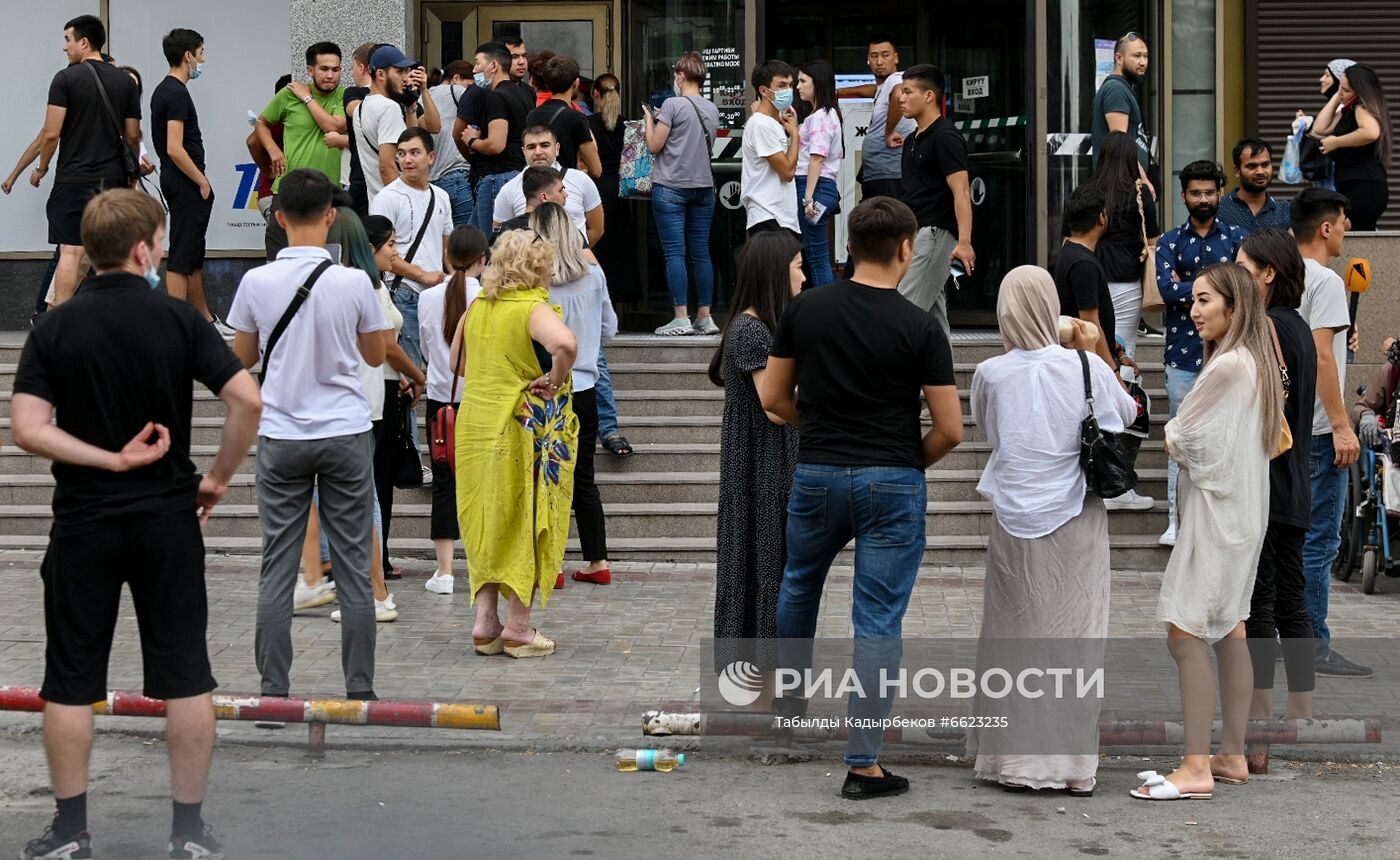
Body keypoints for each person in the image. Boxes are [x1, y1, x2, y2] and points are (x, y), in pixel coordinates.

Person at [12, 189, 261, 860]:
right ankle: (187, 833)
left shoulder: (56, 327)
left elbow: (28, 429)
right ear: (144, 248)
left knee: (69, 679)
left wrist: (107, 460)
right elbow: (246, 398)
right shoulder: (177, 318)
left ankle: (70, 831)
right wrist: (216, 478)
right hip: (167, 520)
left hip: (83, 523)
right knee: (186, 677)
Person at [761, 197, 963, 800]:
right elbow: (950, 428)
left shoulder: (807, 309)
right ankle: (862, 763)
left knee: (799, 582)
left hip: (819, 470)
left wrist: (821, 425)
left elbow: (773, 399)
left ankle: (790, 706)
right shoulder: (920, 325)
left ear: (849, 245)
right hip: (892, 481)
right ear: (907, 249)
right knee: (877, 620)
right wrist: (904, 460)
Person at [969, 266, 1136, 796]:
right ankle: (1071, 767)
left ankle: (1011, 760)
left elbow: (990, 431)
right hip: (1076, 520)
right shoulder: (1085, 365)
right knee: (1075, 642)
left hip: (1014, 523)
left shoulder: (990, 373)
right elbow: (1127, 414)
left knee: (1013, 642)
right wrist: (1093, 345)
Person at [226, 168, 388, 701]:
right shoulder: (354, 282)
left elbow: (243, 358)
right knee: (353, 568)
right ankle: (360, 691)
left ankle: (274, 688)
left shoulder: (255, 282)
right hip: (345, 430)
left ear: (278, 218)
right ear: (330, 217)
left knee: (278, 565)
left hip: (280, 432)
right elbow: (374, 355)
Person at [1132, 262, 1282, 802]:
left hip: (1217, 516)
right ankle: (1232, 753)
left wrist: (1171, 432)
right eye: (1192, 300)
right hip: (1243, 514)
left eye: (1203, 301)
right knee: (1231, 629)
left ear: (1233, 307)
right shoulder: (1253, 362)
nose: (1193, 310)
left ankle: (1196, 765)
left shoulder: (1227, 367)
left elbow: (1185, 436)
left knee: (1186, 631)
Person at [456, 229, 578, 659]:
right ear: (532, 267)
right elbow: (564, 343)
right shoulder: (531, 307)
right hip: (518, 426)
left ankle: (485, 623)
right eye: (546, 262)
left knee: (486, 519)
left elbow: (458, 356)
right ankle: (519, 627)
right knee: (524, 517)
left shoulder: (476, 308)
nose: (552, 269)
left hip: (474, 426)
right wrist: (555, 378)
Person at [708, 230, 803, 683]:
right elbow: (775, 405)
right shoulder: (752, 330)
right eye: (797, 267)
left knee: (768, 567)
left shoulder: (760, 328)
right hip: (761, 469)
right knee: (763, 567)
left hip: (766, 465)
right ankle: (759, 675)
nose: (804, 276)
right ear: (774, 274)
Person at [1236, 227, 1319, 727]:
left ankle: (1263, 711)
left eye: (1244, 270)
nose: (1235, 278)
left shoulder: (1266, 327)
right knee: (1292, 596)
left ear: (1269, 273)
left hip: (1267, 481)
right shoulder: (1300, 328)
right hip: (1295, 482)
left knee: (1262, 600)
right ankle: (1301, 710)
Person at [1292, 188, 1369, 677]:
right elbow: (1321, 357)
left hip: (1289, 429)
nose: (1345, 231)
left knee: (1289, 541)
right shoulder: (1323, 280)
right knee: (1319, 543)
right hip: (1321, 431)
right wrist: (1343, 427)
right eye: (1343, 223)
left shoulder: (1278, 275)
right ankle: (1312, 647)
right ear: (1325, 227)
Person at [1155, 160, 1245, 544]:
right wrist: (1216, 290)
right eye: (1196, 193)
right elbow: (1165, 291)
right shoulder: (1168, 241)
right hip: (1183, 356)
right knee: (1180, 437)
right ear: (1183, 196)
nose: (1204, 199)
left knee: (1228, 436)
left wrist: (1188, 285)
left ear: (1220, 194)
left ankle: (1221, 518)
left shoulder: (1238, 237)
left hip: (1229, 355)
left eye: (1210, 192)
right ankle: (1177, 520)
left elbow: (1245, 292)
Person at [533, 203, 617, 588]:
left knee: (547, 476)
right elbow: (609, 329)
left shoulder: (538, 283)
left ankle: (551, 565)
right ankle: (597, 559)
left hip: (549, 388)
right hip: (585, 387)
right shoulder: (595, 275)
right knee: (584, 477)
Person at [35, 16, 141, 307]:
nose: (65, 47)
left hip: (73, 179)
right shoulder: (125, 80)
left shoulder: (65, 79)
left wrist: (42, 167)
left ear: (84, 42)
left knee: (70, 252)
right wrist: (130, 174)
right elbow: (133, 136)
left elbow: (51, 133)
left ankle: (64, 324)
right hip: (114, 182)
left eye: (67, 39)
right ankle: (112, 322)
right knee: (113, 255)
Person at [418, 224, 487, 595]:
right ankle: (481, 564)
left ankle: (444, 572)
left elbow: (429, 352)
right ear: (483, 259)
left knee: (444, 483)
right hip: (480, 400)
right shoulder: (490, 297)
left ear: (447, 257)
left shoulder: (427, 298)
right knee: (481, 483)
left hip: (440, 400)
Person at [150, 28, 223, 335]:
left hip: (182, 181)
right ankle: (175, 326)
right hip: (184, 182)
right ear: (188, 56)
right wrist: (202, 180)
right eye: (202, 52)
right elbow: (174, 148)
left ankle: (204, 319)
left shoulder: (166, 91)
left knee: (193, 253)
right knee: (182, 254)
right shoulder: (175, 92)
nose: (204, 59)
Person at [645, 52, 722, 335]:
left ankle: (680, 318)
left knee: (675, 253)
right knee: (701, 253)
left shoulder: (672, 104)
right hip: (703, 188)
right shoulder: (711, 109)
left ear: (680, 75)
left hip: (671, 187)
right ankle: (705, 316)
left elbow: (655, 145)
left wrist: (647, 121)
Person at [896, 64, 974, 338]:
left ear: (929, 96)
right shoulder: (910, 141)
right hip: (917, 234)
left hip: (936, 233)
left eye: (907, 92)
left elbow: (962, 192)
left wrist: (964, 242)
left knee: (901, 312)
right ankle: (942, 378)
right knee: (933, 316)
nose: (901, 98)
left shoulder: (946, 137)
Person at [257, 42, 347, 258]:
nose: (330, 75)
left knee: (326, 261)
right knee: (278, 259)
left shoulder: (344, 96)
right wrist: (273, 150)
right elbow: (261, 123)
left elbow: (332, 126)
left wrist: (307, 98)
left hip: (328, 191)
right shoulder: (288, 95)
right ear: (310, 70)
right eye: (324, 69)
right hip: (288, 188)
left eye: (336, 69)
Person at [587, 74, 632, 458]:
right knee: (620, 255)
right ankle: (620, 309)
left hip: (597, 192)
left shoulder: (588, 123)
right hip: (623, 193)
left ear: (596, 94)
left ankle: (608, 308)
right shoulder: (628, 122)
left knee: (599, 256)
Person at [1091, 130, 1159, 381]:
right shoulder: (1139, 194)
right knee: (1124, 346)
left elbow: (1069, 237)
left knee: (1091, 342)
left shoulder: (1088, 190)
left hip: (1091, 272)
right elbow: (1153, 241)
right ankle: (1125, 401)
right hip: (1127, 277)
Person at [492, 124, 603, 245]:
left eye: (545, 145)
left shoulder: (581, 180)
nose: (538, 152)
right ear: (523, 152)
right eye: (531, 147)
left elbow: (596, 229)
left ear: (557, 148)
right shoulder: (508, 190)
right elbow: (501, 239)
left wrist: (573, 256)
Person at [463, 41, 533, 233]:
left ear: (493, 66)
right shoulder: (524, 93)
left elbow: (496, 144)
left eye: (478, 63)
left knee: (491, 247)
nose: (475, 69)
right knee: (472, 242)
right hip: (514, 173)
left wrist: (472, 140)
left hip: (497, 178)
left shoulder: (495, 96)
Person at [1313, 64, 1392, 230]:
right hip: (1353, 185)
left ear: (1360, 91)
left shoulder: (1361, 107)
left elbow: (1370, 132)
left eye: (1346, 90)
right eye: (1340, 87)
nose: (1341, 93)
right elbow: (1319, 127)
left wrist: (1336, 142)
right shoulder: (1347, 110)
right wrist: (1339, 95)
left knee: (1342, 233)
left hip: (1364, 186)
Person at [1054, 184, 1123, 372]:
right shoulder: (1083, 264)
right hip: (1088, 365)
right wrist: (1113, 372)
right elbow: (1090, 324)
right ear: (1102, 218)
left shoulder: (1069, 253)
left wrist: (1119, 354)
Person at [836, 35, 914, 201]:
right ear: (868, 60)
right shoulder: (884, 86)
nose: (879, 61)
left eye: (885, 55)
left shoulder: (898, 79)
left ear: (896, 58)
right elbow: (874, 89)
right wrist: (842, 91)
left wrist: (889, 132)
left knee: (882, 224)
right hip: (880, 174)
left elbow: (899, 92)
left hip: (890, 175)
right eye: (874, 56)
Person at [795, 60, 844, 288]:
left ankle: (824, 310)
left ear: (818, 83)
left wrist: (807, 198)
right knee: (818, 254)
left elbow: (816, 157)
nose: (798, 86)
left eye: (803, 81)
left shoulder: (820, 117)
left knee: (816, 256)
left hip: (814, 187)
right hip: (824, 187)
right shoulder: (829, 114)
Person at [741, 60, 801, 239]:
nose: (788, 91)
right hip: (768, 216)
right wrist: (795, 135)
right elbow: (787, 172)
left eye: (790, 85)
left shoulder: (774, 123)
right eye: (781, 85)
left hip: (781, 217)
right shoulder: (761, 124)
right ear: (763, 90)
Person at [353, 45, 418, 204]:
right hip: (395, 207)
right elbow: (387, 166)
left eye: (406, 70)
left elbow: (411, 142)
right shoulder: (388, 108)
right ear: (380, 74)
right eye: (399, 71)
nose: (405, 77)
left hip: (377, 204)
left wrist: (410, 108)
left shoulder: (361, 107)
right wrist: (404, 204)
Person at [526, 54, 602, 178]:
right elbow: (596, 170)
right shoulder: (576, 118)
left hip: (538, 185)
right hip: (564, 186)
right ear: (576, 83)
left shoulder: (532, 115)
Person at [1091, 32, 1151, 181]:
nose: (1143, 62)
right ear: (1119, 58)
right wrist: (1143, 181)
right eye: (1137, 56)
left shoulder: (1123, 87)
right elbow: (1121, 146)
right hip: (1121, 186)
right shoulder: (1116, 89)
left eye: (1145, 56)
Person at [427, 60, 476, 226]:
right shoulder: (458, 90)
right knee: (466, 241)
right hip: (458, 175)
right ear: (456, 78)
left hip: (431, 180)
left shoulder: (424, 96)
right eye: (470, 85)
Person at [1217, 138, 1293, 233]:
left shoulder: (1285, 212)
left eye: (1265, 164)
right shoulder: (1219, 209)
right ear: (1237, 171)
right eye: (1252, 166)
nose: (1260, 172)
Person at [343, 42, 378, 216]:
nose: (353, 73)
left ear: (362, 67)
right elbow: (356, 111)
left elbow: (432, 125)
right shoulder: (353, 93)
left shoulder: (400, 96)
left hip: (391, 178)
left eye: (352, 67)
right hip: (361, 177)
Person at [492, 165, 569, 238]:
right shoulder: (566, 232)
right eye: (560, 190)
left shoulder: (503, 233)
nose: (565, 195)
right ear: (544, 197)